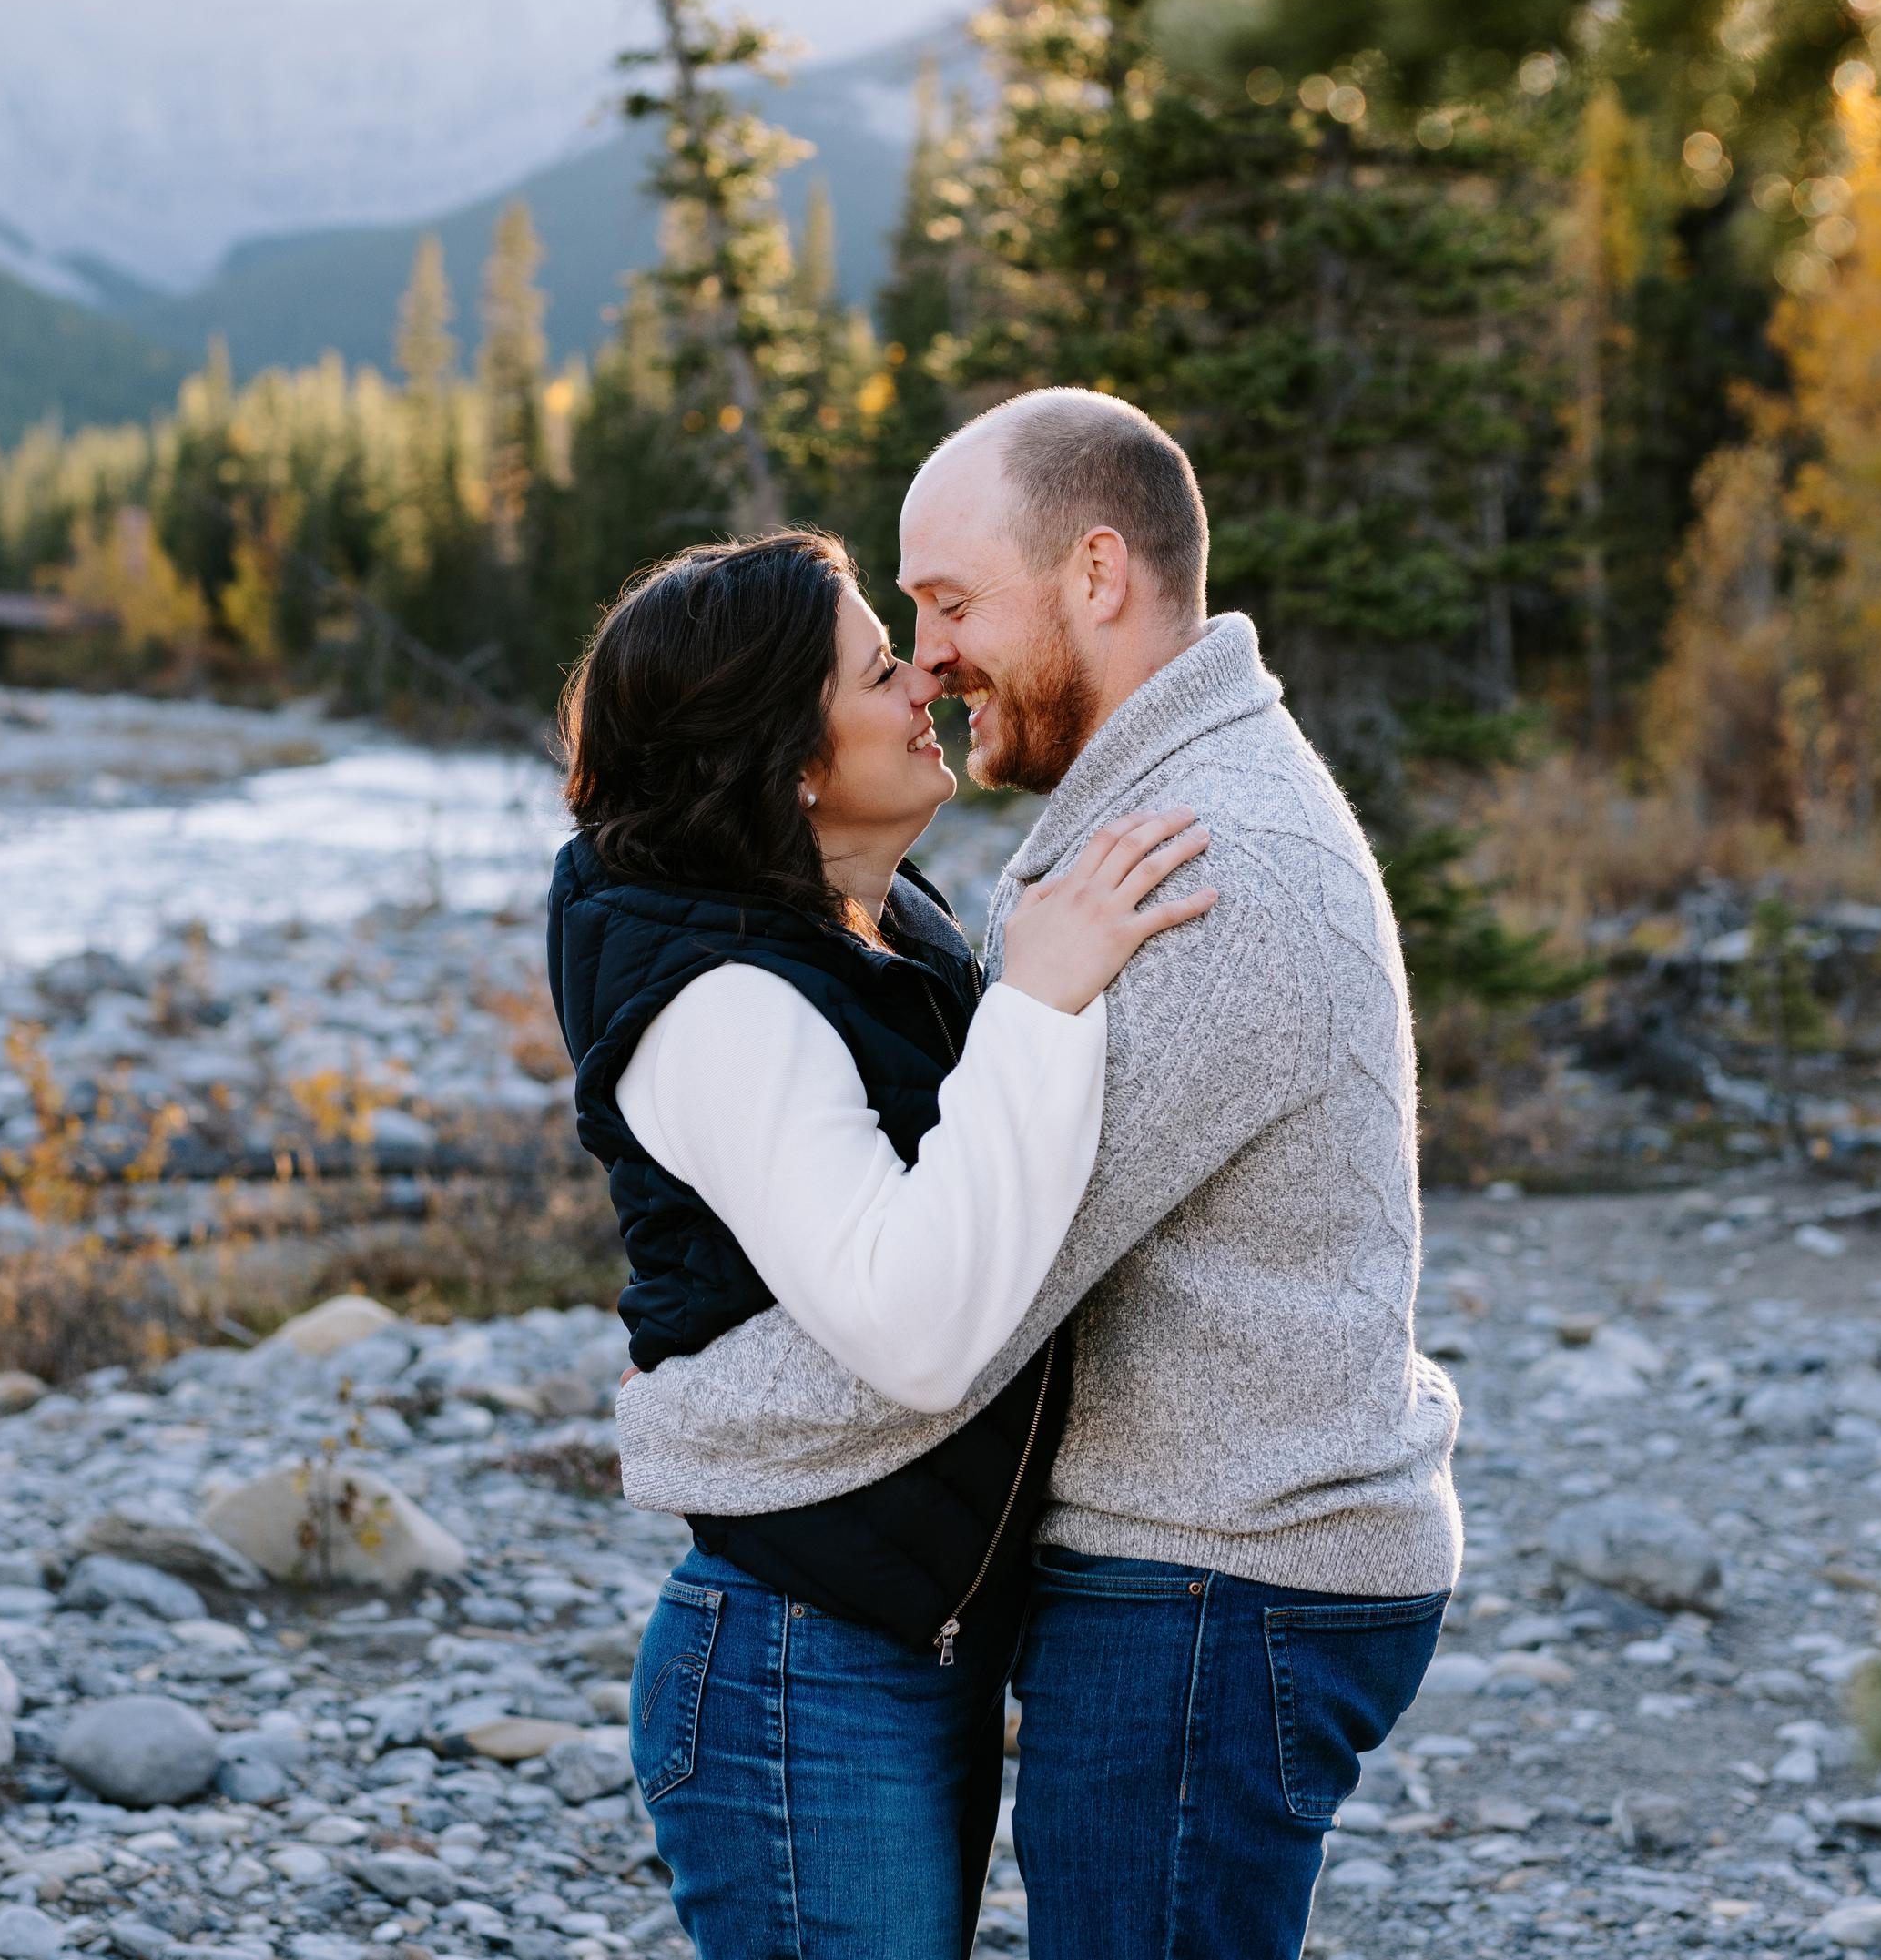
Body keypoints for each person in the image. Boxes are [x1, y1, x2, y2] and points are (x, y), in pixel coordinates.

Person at [617, 390, 1463, 1960]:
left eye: (947, 603)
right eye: (910, 620)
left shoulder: (1195, 871)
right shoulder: (1154, 817)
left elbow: (955, 1319)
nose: (928, 655)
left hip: (1216, 1578)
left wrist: (687, 1419)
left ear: (1094, 573)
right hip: (1212, 1565)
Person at [545, 527, 1214, 1960]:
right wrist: (1037, 1003)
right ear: (790, 756)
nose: (925, 679)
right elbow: (912, 1328)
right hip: (801, 1664)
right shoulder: (720, 1003)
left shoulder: (872, 925)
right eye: (877, 666)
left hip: (896, 1635)